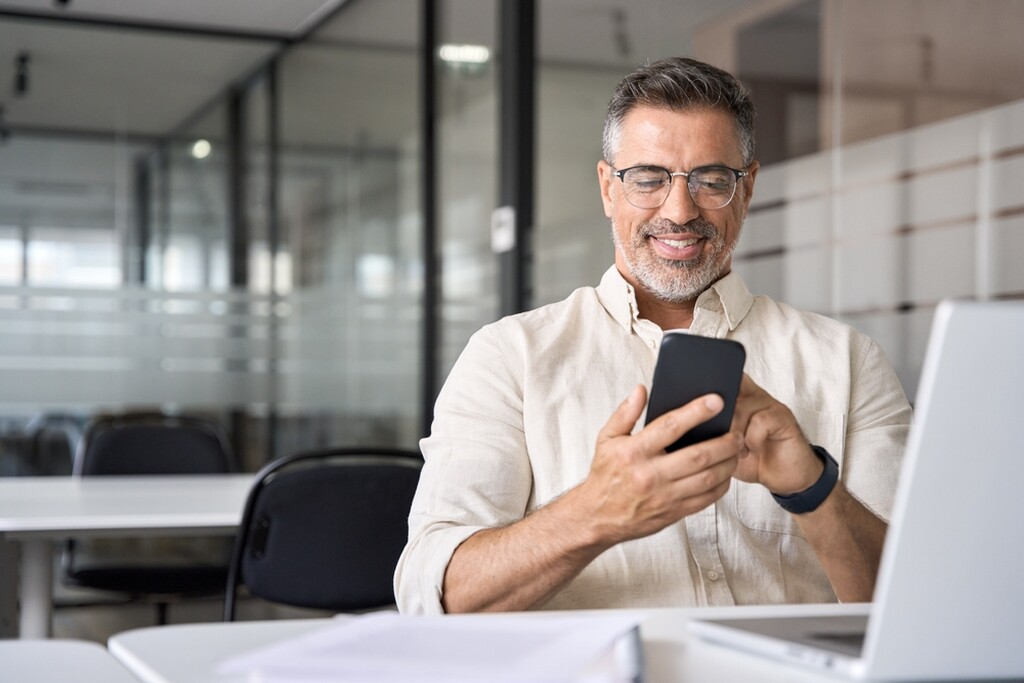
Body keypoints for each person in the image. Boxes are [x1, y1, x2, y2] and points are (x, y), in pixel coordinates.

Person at [394, 57, 911, 614]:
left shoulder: (847, 361)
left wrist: (812, 489)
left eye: (712, 180)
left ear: (749, 188)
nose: (680, 210)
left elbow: (921, 601)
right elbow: (435, 596)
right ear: (607, 189)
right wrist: (596, 511)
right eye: (647, 179)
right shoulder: (510, 357)